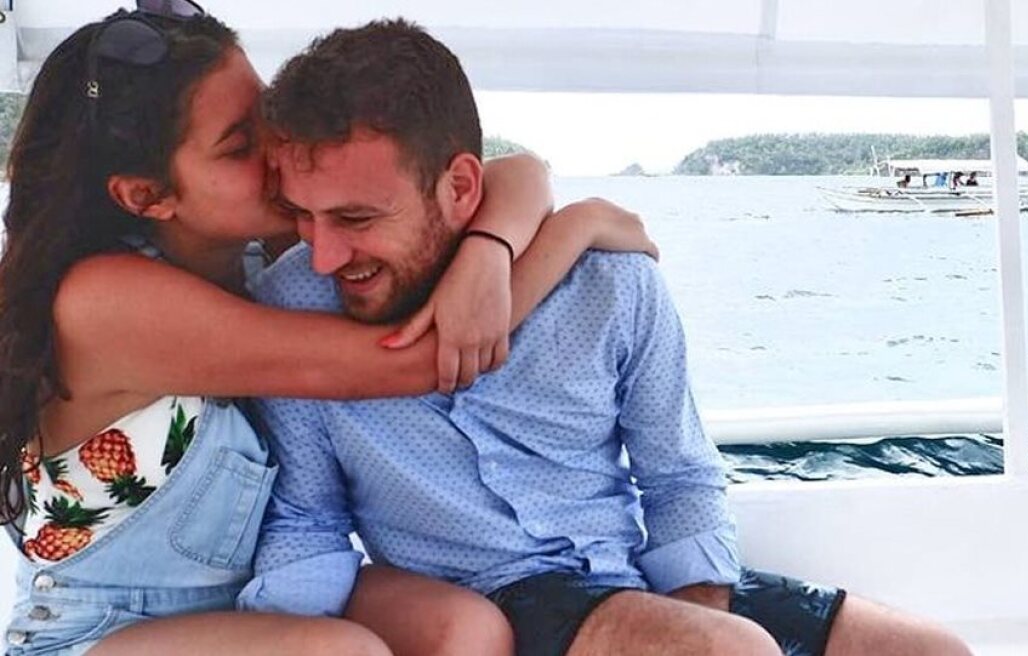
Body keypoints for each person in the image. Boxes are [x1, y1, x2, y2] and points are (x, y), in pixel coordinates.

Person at [241, 18, 973, 656]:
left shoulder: (612, 282)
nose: (323, 254)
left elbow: (679, 477)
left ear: (461, 187)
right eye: (304, 215)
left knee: (932, 652)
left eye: (357, 219)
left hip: (627, 574)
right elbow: (309, 516)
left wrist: (694, 617)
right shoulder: (291, 305)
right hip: (487, 598)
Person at [0, 2, 654, 654]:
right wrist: (575, 230)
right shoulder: (105, 303)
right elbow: (424, 357)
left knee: (465, 627)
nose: (280, 153)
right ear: (146, 196)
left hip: (250, 598)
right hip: (102, 629)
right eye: (239, 146)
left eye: (267, 117)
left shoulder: (263, 252)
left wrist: (490, 246)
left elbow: (501, 172)